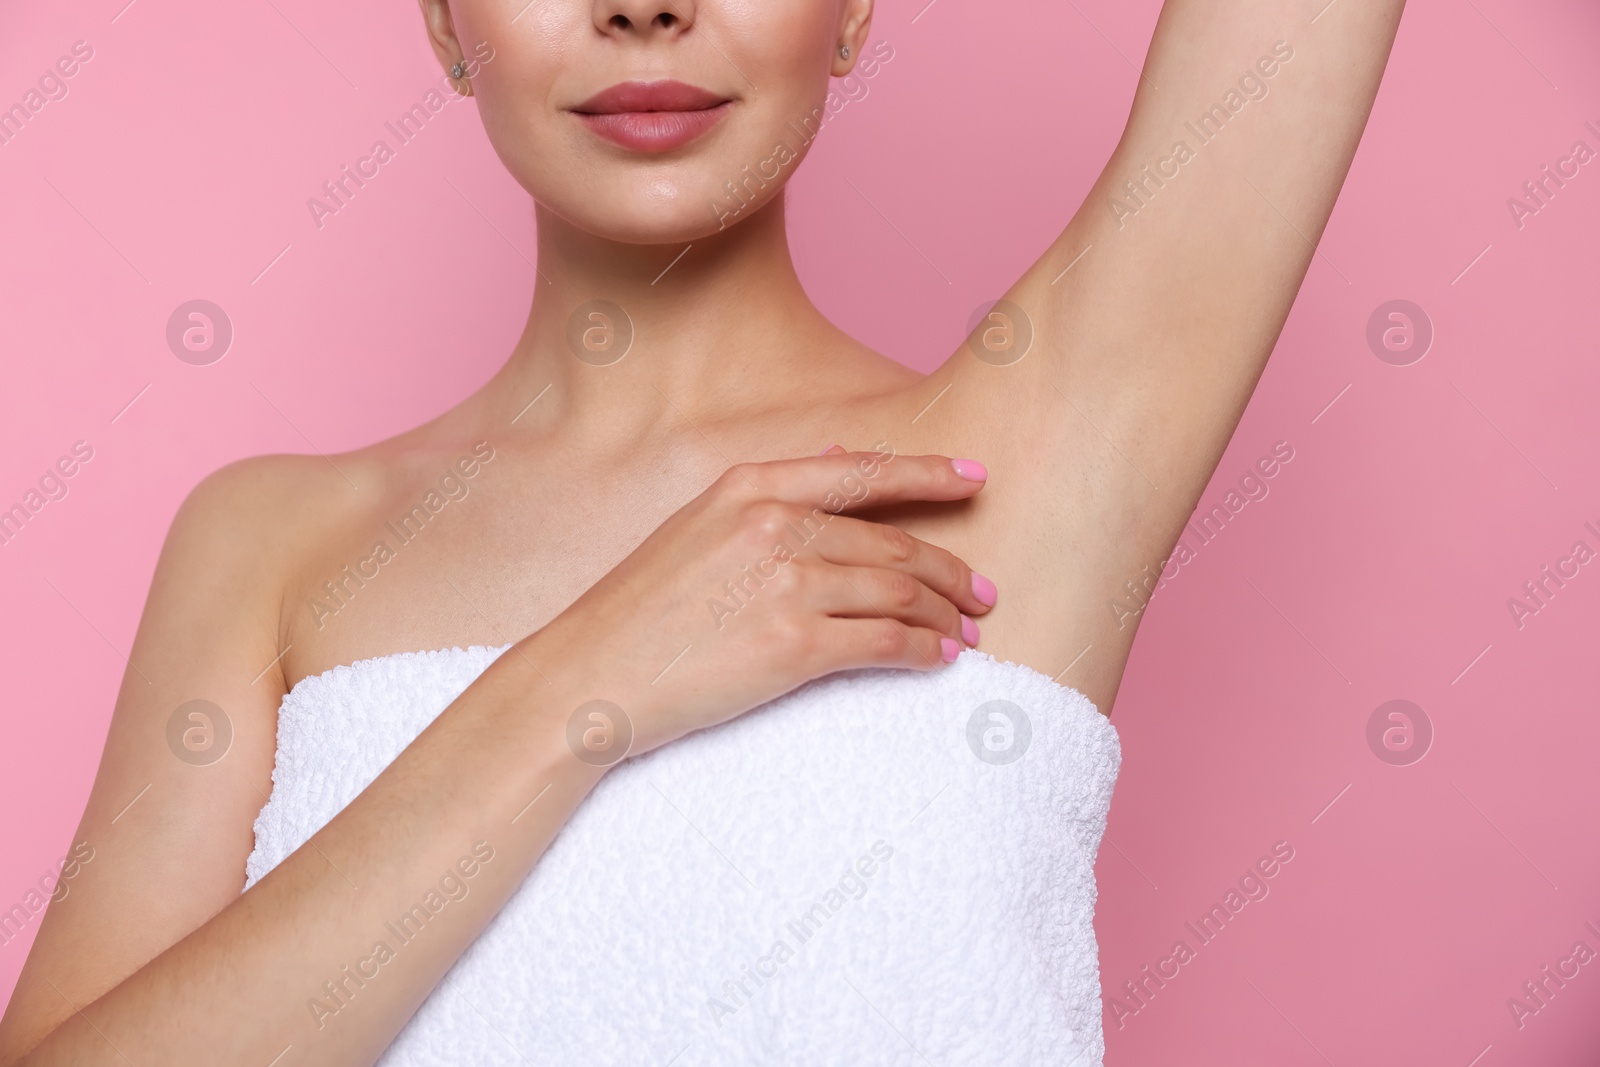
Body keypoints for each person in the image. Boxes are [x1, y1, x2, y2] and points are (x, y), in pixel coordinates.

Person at [0, 0, 1405, 1062]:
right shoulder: (272, 546)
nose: (644, 4)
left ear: (851, 7)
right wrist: (579, 688)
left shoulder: (1021, 470)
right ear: (442, 19)